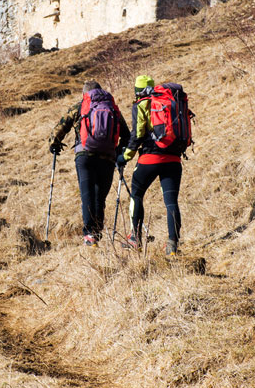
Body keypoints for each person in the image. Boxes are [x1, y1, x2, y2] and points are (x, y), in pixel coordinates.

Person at [49, 81, 129, 247]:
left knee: (87, 194)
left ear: (86, 94)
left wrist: (54, 143)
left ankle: (89, 234)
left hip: (84, 155)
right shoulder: (113, 108)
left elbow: (61, 127)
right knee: (100, 196)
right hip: (107, 157)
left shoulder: (80, 106)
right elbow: (127, 134)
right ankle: (97, 232)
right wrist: (119, 153)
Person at [118, 75, 184, 258]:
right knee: (171, 202)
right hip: (173, 159)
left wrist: (125, 156)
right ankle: (172, 245)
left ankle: (135, 239)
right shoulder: (168, 102)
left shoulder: (141, 105)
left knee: (136, 194)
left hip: (150, 159)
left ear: (137, 91)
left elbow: (137, 134)